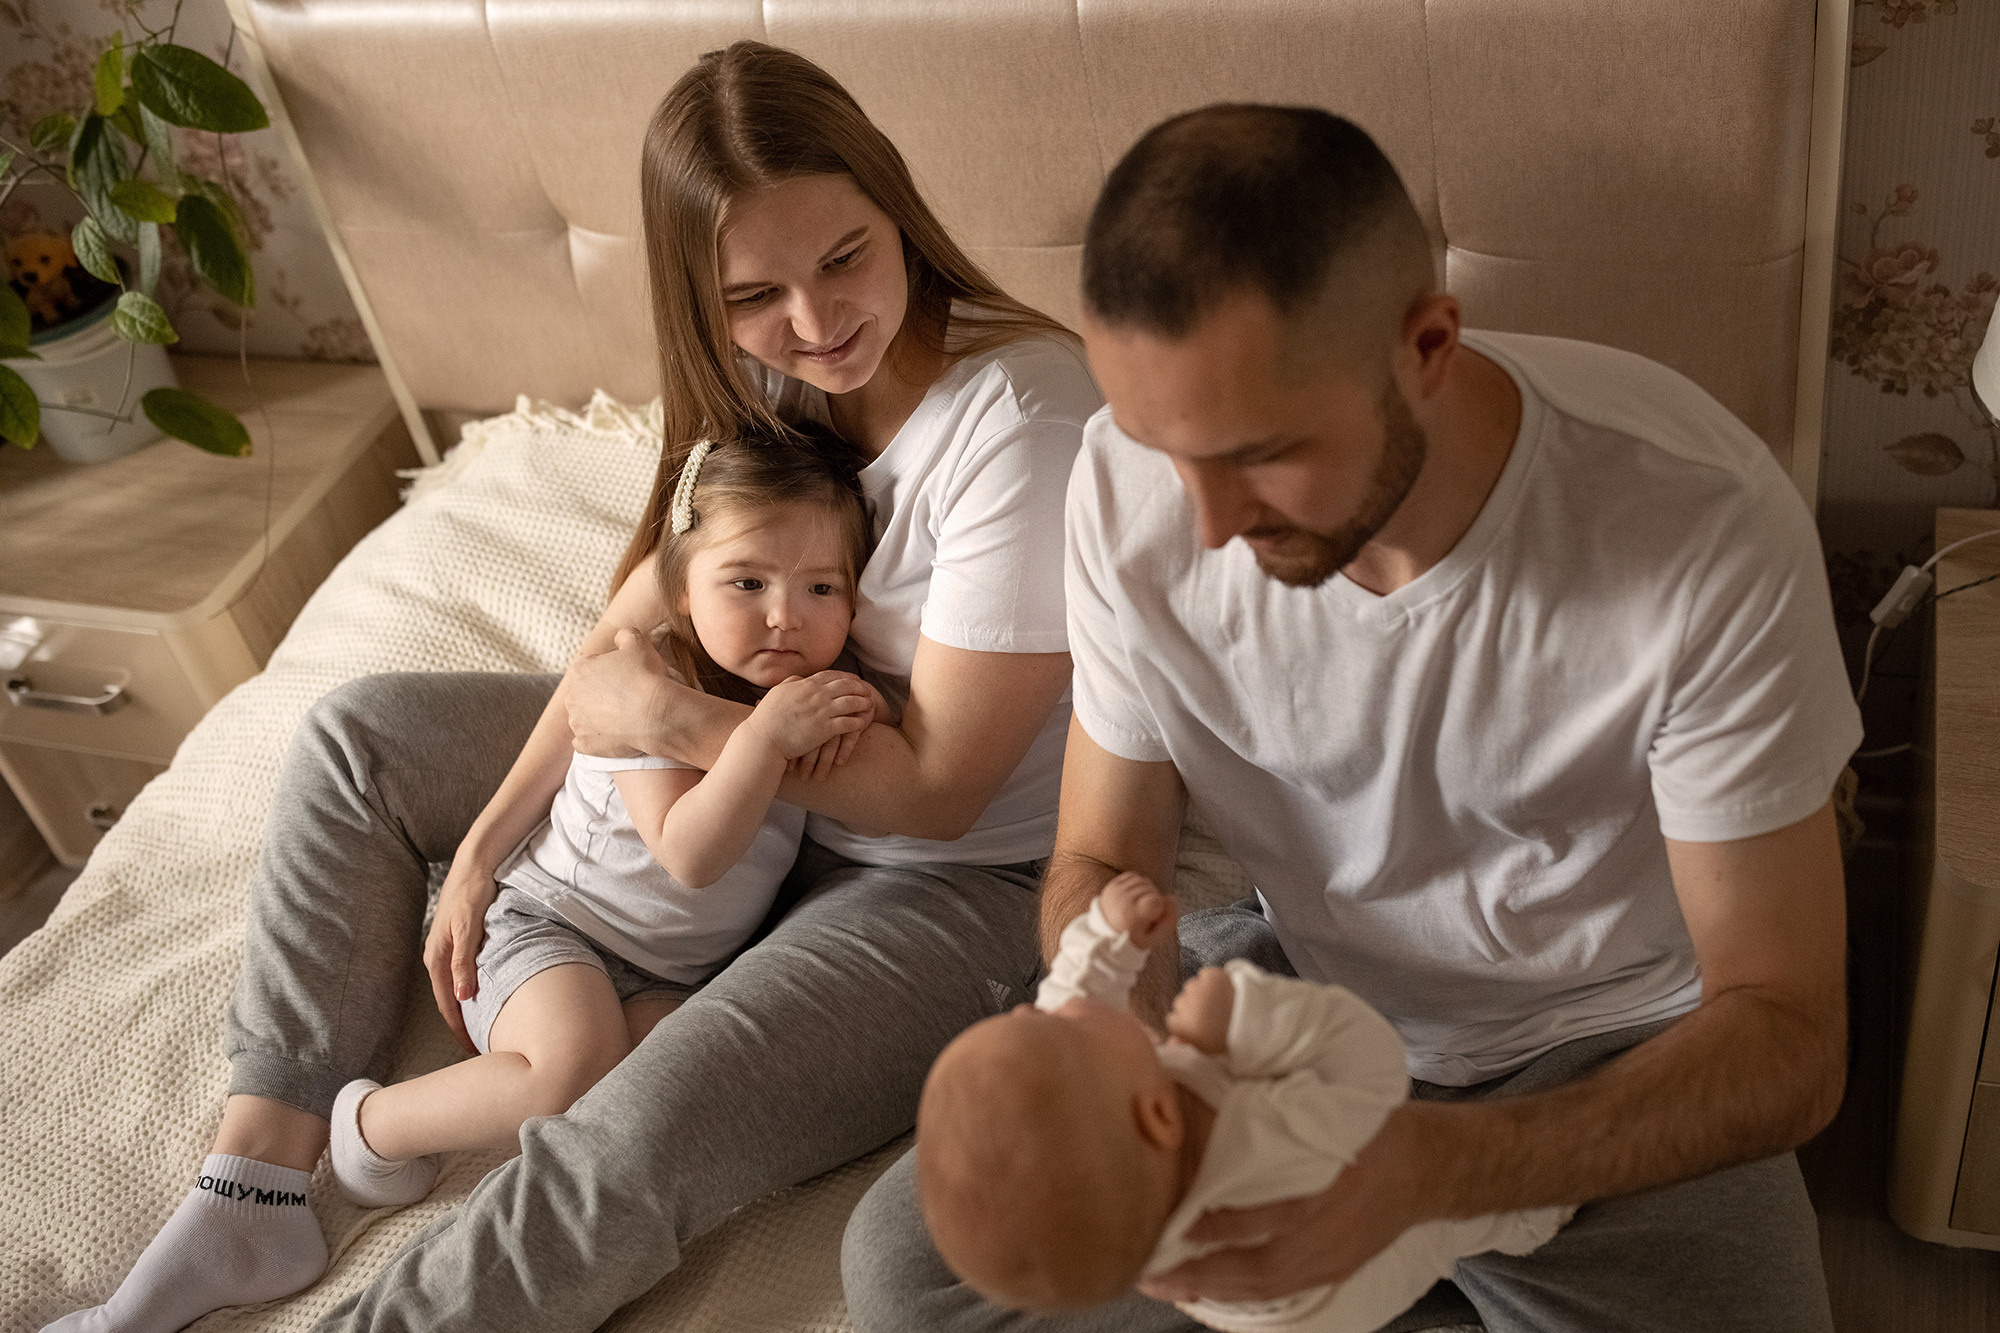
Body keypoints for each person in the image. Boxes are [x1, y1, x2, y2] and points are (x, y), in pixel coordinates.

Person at [42, 39, 1100, 1333]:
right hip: (747, 780)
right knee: (358, 737)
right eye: (755, 294)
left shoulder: (1023, 421)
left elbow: (941, 789)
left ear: (898, 209)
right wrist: (488, 847)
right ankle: (259, 1177)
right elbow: (625, 630)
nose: (817, 324)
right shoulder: (776, 373)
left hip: (945, 879)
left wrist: (676, 721)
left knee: (627, 1134)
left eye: (844, 257)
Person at [841, 105, 1858, 1332]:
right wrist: (1114, 993)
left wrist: (1433, 1170)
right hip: (1299, 1007)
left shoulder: (1694, 528)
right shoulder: (1122, 490)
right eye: (1167, 448)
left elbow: (1788, 1037)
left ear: (1424, 345)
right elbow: (1103, 856)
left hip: (1612, 1049)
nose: (1205, 526)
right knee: (914, 1269)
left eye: (1260, 453)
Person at [328, 424, 884, 1206]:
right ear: (683, 589)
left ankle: (539, 1170)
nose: (785, 616)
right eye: (747, 583)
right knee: (573, 1063)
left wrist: (857, 713)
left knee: (681, 1087)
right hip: (552, 923)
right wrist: (764, 739)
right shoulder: (643, 682)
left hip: (669, 971)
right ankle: (370, 1123)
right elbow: (690, 853)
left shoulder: (812, 687)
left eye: (821, 588)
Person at [918, 870, 1569, 1331]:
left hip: (1237, 1296)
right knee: (1443, 1221)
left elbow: (1074, 998)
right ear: (1160, 1113)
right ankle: (1520, 1222)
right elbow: (1371, 1069)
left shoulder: (1120, 1134)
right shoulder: (1270, 1150)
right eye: (1045, 1020)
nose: (1045, 1003)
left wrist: (1109, 939)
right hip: (1346, 1283)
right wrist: (1245, 1016)